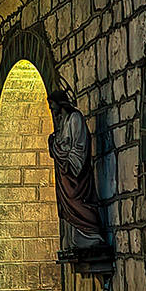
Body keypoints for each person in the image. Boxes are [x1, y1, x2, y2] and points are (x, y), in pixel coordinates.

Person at [47, 89, 107, 252]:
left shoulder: (75, 118)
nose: (51, 110)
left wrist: (69, 161)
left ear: (60, 103)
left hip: (75, 171)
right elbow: (60, 144)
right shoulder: (63, 122)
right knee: (67, 204)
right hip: (64, 173)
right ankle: (77, 238)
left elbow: (80, 144)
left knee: (77, 199)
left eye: (52, 105)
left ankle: (92, 234)